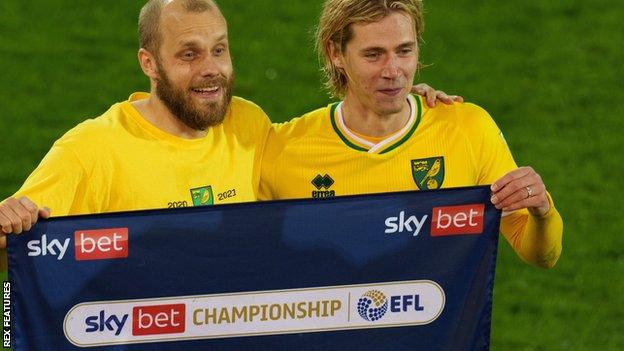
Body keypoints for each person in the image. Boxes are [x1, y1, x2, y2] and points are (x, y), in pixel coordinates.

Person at [0, 0, 456, 248]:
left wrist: (395, 98)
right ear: (149, 63)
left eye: (219, 50)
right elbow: (14, 255)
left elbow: (330, 156)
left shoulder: (248, 124)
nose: (210, 69)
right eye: (188, 54)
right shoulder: (90, 149)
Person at [258, 0, 563, 268]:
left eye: (404, 51)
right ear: (335, 52)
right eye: (374, 55)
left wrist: (542, 212)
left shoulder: (468, 129)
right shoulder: (284, 149)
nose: (393, 70)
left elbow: (540, 254)